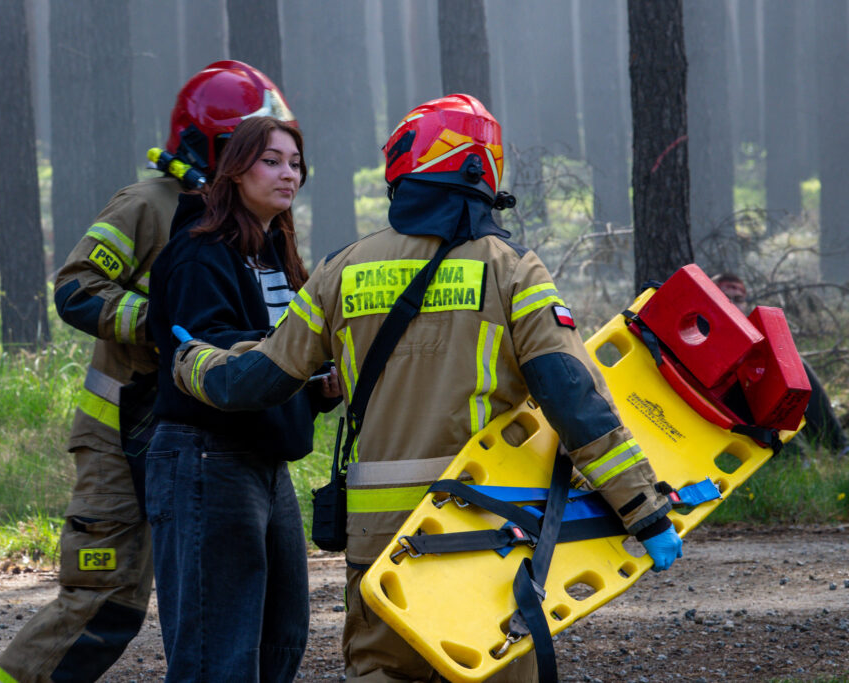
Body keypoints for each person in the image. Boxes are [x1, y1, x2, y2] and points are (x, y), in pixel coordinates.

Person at [170, 94, 683, 683]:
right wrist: (643, 509)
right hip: (483, 532)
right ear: (480, 169)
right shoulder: (511, 269)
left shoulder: (345, 268)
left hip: (378, 544)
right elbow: (575, 401)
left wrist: (191, 360)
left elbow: (254, 381)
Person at [0, 61, 299, 683]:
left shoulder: (254, 221)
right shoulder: (150, 204)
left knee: (261, 618)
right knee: (107, 600)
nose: (281, 169)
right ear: (220, 145)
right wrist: (160, 320)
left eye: (284, 156)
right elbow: (75, 288)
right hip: (123, 430)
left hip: (209, 432)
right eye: (260, 151)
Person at [145, 115, 340, 682]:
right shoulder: (199, 252)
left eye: (296, 163)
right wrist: (297, 369)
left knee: (281, 638)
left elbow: (281, 361)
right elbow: (215, 357)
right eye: (272, 161)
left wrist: (319, 384)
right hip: (207, 457)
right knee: (217, 651)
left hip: (264, 461)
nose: (289, 175)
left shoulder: (274, 249)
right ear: (235, 170)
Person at [712, 272, 848, 456]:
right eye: (728, 298)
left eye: (739, 299)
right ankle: (796, 457)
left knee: (796, 368)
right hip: (725, 401)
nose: (735, 304)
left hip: (760, 394)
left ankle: (838, 446)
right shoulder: (704, 327)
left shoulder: (756, 331)